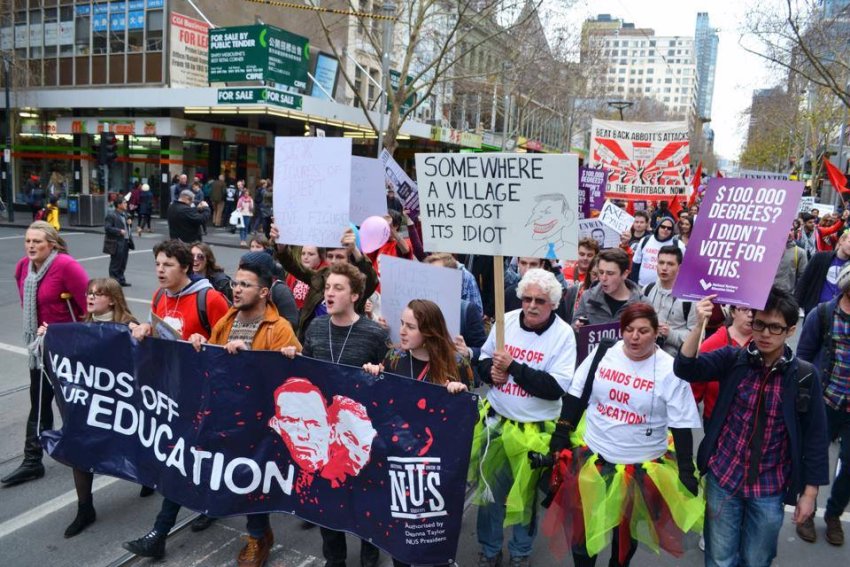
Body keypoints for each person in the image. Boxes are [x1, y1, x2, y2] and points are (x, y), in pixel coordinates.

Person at [675, 287, 830, 567]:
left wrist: (809, 494)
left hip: (770, 487)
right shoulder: (733, 359)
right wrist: (699, 323)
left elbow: (816, 437)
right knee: (720, 559)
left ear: (791, 330)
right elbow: (685, 368)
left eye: (775, 327)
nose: (765, 334)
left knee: (757, 560)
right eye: (759, 324)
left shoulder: (805, 376)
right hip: (724, 478)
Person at [547, 302, 702, 566]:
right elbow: (576, 395)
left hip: (639, 469)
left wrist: (686, 469)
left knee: (624, 538)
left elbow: (681, 421)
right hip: (594, 462)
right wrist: (561, 432)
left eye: (643, 331)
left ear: (656, 333)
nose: (634, 337)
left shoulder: (669, 368)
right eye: (629, 329)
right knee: (583, 536)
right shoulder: (603, 352)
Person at [121, 241, 230, 556]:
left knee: (180, 459)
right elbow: (161, 334)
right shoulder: (159, 296)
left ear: (186, 267)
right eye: (157, 263)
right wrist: (145, 330)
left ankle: (159, 533)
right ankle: (209, 505)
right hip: (173, 392)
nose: (159, 270)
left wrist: (206, 342)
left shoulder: (209, 299)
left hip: (207, 393)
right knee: (190, 456)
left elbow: (232, 341)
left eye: (167, 264)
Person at [472, 268, 575, 567]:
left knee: (526, 499)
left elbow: (554, 388)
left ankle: (520, 553)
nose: (531, 305)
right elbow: (483, 360)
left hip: (535, 431)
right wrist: (490, 371)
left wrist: (514, 367)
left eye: (540, 301)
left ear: (553, 303)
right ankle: (489, 550)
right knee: (490, 494)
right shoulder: (505, 322)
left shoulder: (563, 335)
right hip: (497, 424)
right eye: (527, 298)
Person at [299, 262, 391, 567]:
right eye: (327, 287)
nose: (329, 293)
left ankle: (369, 550)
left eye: (338, 288)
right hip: (323, 434)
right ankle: (334, 558)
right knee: (327, 499)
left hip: (361, 433)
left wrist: (381, 372)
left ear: (355, 295)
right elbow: (306, 372)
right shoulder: (315, 327)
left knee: (364, 496)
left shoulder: (373, 334)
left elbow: (391, 379)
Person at [37, 278, 138, 537]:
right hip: (92, 405)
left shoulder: (128, 325)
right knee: (79, 445)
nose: (91, 298)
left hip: (123, 405)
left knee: (135, 446)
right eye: (89, 293)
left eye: (98, 294)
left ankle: (146, 478)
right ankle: (85, 508)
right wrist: (51, 337)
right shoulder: (84, 326)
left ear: (113, 299)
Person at [2, 222, 89, 486]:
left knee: (72, 404)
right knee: (39, 404)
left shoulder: (66, 266)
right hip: (39, 349)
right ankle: (32, 461)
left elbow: (89, 306)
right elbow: (25, 303)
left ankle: (87, 451)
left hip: (67, 350)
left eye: (37, 241)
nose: (31, 246)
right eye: (28, 241)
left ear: (51, 243)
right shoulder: (23, 268)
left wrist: (71, 335)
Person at [796, 263, 850, 545]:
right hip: (826, 401)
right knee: (812, 459)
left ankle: (833, 515)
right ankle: (806, 511)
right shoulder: (824, 314)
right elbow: (803, 357)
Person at [272, 226, 378, 340]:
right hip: (311, 339)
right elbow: (295, 267)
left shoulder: (356, 282)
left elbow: (371, 281)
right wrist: (281, 247)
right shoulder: (320, 276)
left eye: (339, 257)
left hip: (341, 340)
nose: (333, 261)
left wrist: (354, 250)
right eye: (330, 256)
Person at [692, 305, 754, 422]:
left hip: (750, 421)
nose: (751, 314)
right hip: (716, 419)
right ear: (733, 312)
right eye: (745, 309)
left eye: (755, 310)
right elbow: (695, 388)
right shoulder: (713, 343)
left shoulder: (764, 344)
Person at [642, 245, 696, 357]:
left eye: (670, 264)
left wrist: (669, 333)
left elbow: (697, 336)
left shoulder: (690, 298)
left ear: (679, 268)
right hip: (645, 354)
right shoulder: (647, 289)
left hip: (673, 360)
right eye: (661, 263)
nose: (664, 268)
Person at [574, 248, 643, 326]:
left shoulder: (642, 303)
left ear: (624, 274)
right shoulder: (587, 297)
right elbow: (574, 325)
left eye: (610, 273)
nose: (603, 278)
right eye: (601, 272)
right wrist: (577, 327)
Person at [795, 229, 850, 314]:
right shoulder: (820, 257)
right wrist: (795, 306)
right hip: (814, 309)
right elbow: (804, 281)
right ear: (841, 240)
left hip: (839, 314)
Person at [630, 218, 685, 287]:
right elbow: (636, 263)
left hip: (666, 289)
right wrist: (634, 285)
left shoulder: (679, 245)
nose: (665, 229)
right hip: (642, 286)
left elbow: (683, 269)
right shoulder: (645, 240)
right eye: (663, 226)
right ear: (658, 226)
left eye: (669, 228)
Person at [104, 196, 134, 287]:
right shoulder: (112, 215)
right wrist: (119, 231)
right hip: (116, 242)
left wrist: (130, 223)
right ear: (119, 205)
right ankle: (113, 282)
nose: (126, 204)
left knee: (123, 262)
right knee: (115, 263)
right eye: (124, 203)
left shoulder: (125, 214)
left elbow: (127, 227)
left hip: (125, 241)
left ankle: (121, 279)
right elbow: (107, 228)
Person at [287, 246, 327, 311]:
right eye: (303, 254)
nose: (305, 257)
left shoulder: (325, 276)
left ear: (320, 257)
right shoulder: (293, 274)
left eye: (311, 254)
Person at [773, 230, 808, 294]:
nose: (789, 233)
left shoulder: (800, 252)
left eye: (791, 229)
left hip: (786, 297)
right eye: (786, 229)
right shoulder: (768, 249)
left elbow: (803, 278)